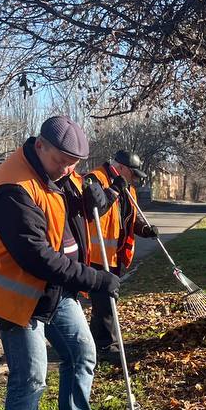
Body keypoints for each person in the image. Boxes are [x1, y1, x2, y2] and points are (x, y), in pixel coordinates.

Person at [0, 115, 123, 410]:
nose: (69, 169)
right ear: (40, 146)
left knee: (82, 353)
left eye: (75, 162)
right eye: (62, 160)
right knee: (31, 377)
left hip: (54, 291)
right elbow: (36, 256)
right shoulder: (14, 188)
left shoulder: (59, 172)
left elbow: (75, 211)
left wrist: (99, 202)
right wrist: (96, 280)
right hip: (16, 297)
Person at [78, 150, 158, 364]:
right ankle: (106, 345)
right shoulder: (95, 179)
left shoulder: (127, 188)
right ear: (121, 168)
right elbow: (94, 208)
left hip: (113, 255)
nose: (135, 179)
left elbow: (128, 219)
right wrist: (114, 189)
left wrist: (145, 230)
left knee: (106, 300)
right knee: (105, 301)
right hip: (95, 255)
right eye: (133, 174)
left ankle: (100, 342)